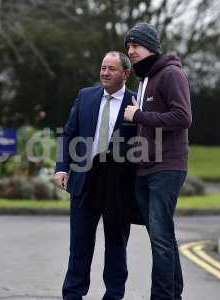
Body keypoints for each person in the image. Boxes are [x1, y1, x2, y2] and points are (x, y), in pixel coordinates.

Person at [54, 51, 140, 300]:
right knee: (79, 245)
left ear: (125, 73)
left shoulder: (136, 103)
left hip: (118, 185)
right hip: (84, 182)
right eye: (103, 68)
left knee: (116, 245)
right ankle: (72, 294)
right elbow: (69, 134)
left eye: (111, 69)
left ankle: (113, 295)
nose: (104, 73)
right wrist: (62, 167)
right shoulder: (86, 96)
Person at [123, 23, 192, 299]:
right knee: (161, 237)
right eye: (128, 47)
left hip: (167, 167)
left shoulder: (171, 74)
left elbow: (182, 117)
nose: (131, 51)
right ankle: (172, 294)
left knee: (161, 238)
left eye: (135, 46)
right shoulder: (144, 80)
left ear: (150, 46)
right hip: (145, 167)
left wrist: (138, 116)